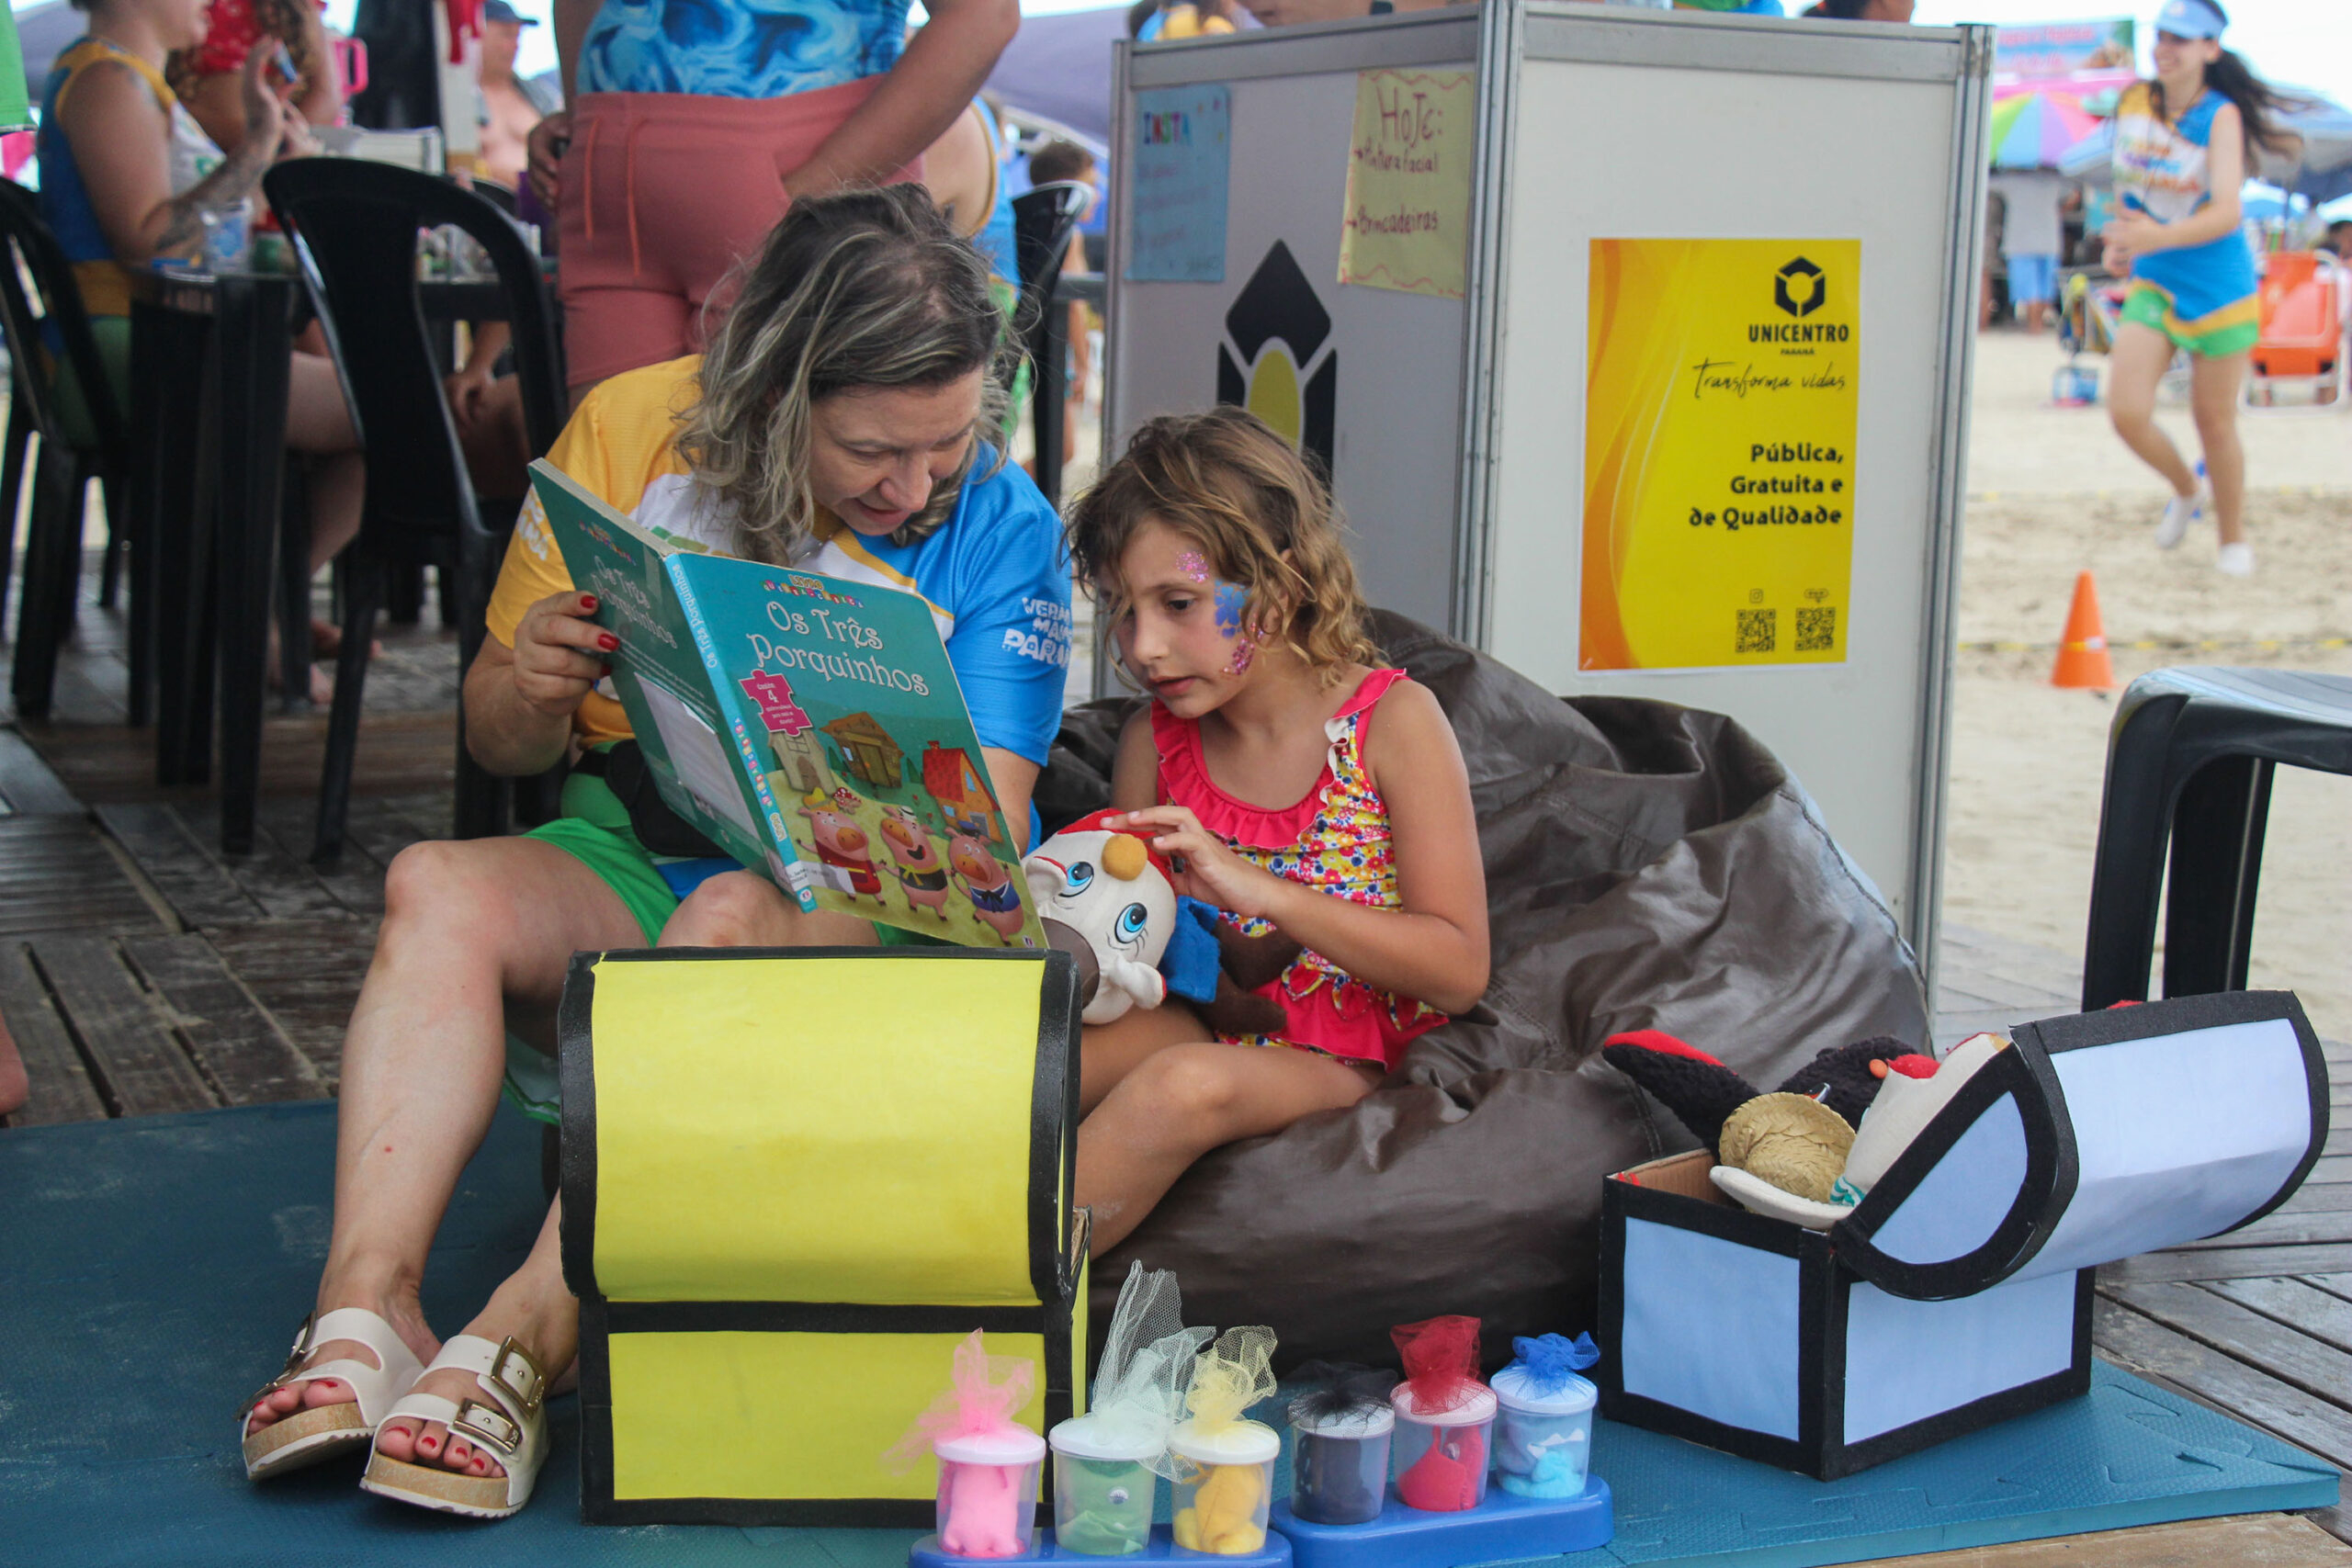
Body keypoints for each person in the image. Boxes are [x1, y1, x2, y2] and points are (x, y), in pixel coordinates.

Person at [236, 186, 1071, 1521]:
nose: (914, 489)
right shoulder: (632, 430)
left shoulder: (1006, 530)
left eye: (949, 444)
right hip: (636, 838)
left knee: (725, 916)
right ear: (773, 393)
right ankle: (365, 1304)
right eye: (872, 450)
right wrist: (535, 681)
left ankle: (526, 1334)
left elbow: (975, 842)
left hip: (858, 913)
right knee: (433, 885)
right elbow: (500, 739)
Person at [1061, 408, 1489, 1253]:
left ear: (1281, 584)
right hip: (1205, 1014)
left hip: (1345, 1055)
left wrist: (1265, 892)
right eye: (1120, 609)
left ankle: (987, 1300)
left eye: (1178, 603)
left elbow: (1459, 970)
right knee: (1036, 1060)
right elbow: (1143, 939)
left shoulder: (1393, 723)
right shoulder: (1155, 740)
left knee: (1183, 1084)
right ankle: (889, 1243)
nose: (1143, 646)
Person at [42, 0, 363, 699]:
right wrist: (257, 146)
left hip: (160, 340)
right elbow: (147, 241)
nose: (210, 5)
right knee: (387, 411)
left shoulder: (132, 80)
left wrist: (267, 147)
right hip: (128, 349)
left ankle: (257, 603)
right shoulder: (107, 81)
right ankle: (253, 608)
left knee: (374, 404)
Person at [524, 0, 1019, 400]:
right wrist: (583, 114)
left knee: (789, 469)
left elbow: (986, 13)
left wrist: (814, 192)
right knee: (606, 469)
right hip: (616, 190)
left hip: (801, 190)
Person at [2101, 0, 2299, 577]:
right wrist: (2123, 240)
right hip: (2156, 280)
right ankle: (2187, 489)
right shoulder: (2134, 102)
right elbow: (2129, 184)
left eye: (2180, 40)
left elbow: (2227, 212)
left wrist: (2154, 237)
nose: (2165, 48)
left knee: (2213, 421)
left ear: (2211, 49)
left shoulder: (2221, 116)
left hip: (2220, 286)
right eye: (2161, 36)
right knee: (2126, 411)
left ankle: (2232, 539)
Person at [165, 0, 341, 152]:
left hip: (281, 155)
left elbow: (326, 94)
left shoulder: (299, 7)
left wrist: (286, 147)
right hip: (192, 151)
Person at [1025, 139, 1100, 473]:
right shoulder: (1068, 234)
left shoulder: (1033, 225)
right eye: (1091, 185)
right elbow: (1073, 307)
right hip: (1056, 352)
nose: (1097, 195)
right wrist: (1084, 364)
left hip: (1037, 349)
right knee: (1061, 450)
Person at [474, 0, 555, 193]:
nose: (514, 46)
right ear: (478, 35)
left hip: (539, 203)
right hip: (483, 201)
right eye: (506, 35)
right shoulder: (456, 101)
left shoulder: (541, 97)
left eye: (517, 36)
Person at [1991, 168, 2065, 332]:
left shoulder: (2012, 181)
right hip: (2049, 240)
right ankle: (2038, 324)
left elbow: (1989, 183)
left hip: (2020, 242)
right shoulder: (2054, 180)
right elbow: (2073, 195)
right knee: (2045, 289)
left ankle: (2034, 327)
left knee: (2029, 289)